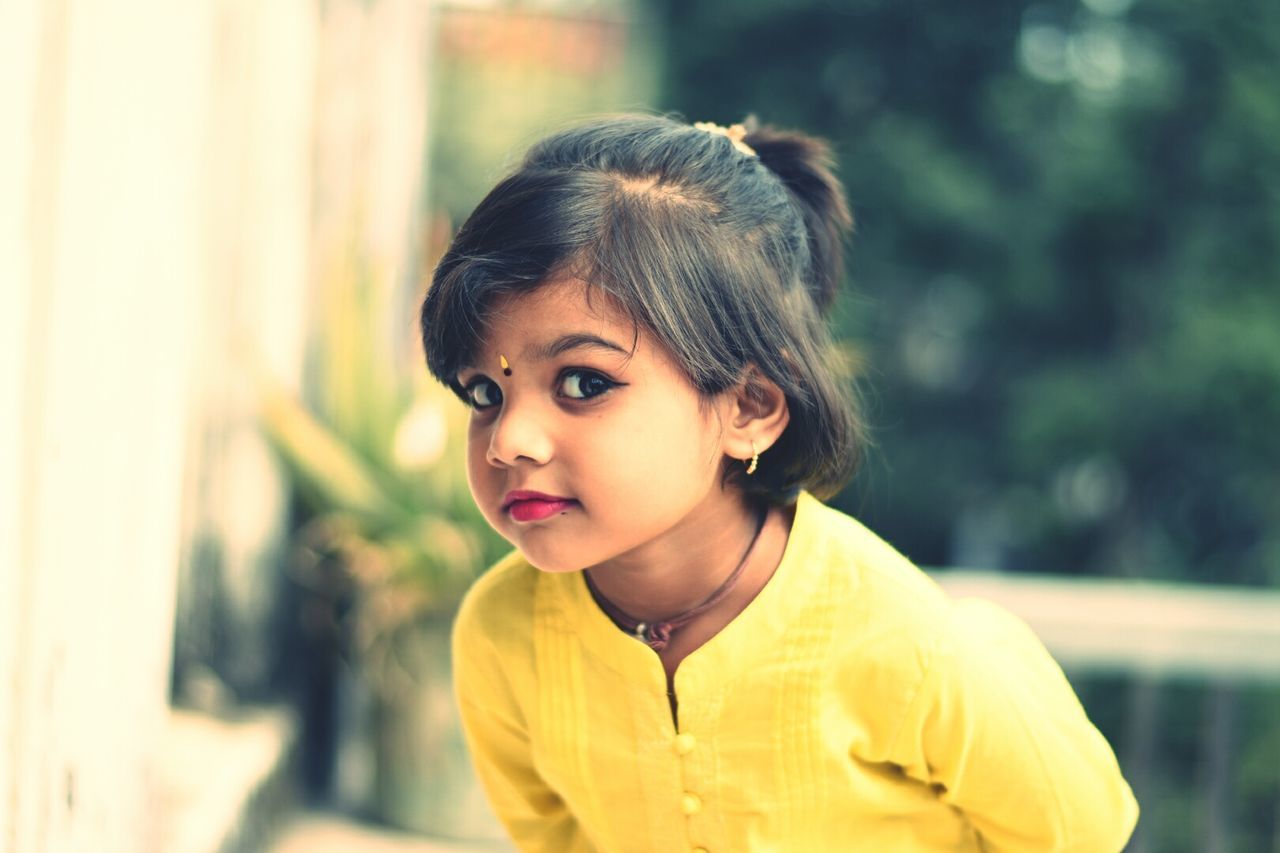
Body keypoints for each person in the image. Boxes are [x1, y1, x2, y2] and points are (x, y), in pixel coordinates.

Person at [418, 113, 1139, 852]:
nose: (508, 440)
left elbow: (1081, 831)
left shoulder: (910, 644)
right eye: (484, 392)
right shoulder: (501, 633)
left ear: (750, 408)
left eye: (582, 381)